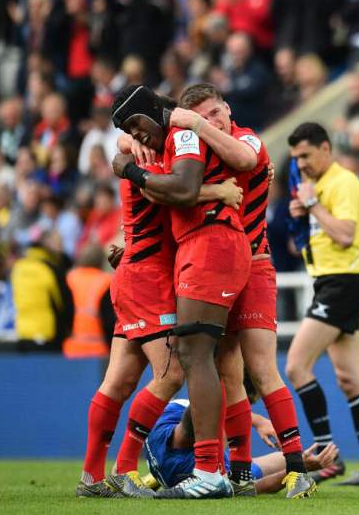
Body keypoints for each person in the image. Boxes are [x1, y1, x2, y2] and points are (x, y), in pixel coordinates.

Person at [77, 115, 243, 498]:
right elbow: (167, 191)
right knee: (169, 375)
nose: (136, 138)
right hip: (148, 279)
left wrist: (125, 150)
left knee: (118, 381)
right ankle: (123, 470)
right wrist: (218, 191)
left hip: (137, 275)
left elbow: (134, 157)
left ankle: (91, 476)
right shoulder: (153, 159)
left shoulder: (146, 151)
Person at [168, 83, 314, 498]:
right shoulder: (202, 152)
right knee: (230, 375)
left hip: (255, 265)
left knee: (263, 369)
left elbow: (246, 158)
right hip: (221, 268)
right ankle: (242, 475)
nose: (213, 121)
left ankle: (297, 468)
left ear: (227, 108)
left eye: (216, 112)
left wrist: (195, 124)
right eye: (204, 116)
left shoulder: (245, 138)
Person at [285, 122, 359, 486]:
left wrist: (312, 204)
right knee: (349, 377)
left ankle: (328, 455)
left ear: (326, 149)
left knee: (297, 366)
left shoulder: (343, 183)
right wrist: (302, 217)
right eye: (296, 157)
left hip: (342, 282)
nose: (300, 163)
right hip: (330, 281)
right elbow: (305, 245)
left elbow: (344, 235)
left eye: (306, 155)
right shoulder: (317, 186)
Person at [143, 377, 338, 496]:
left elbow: (200, 407)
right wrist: (298, 466)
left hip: (169, 456)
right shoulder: (198, 468)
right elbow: (255, 487)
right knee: (244, 477)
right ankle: (153, 476)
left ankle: (151, 476)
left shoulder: (166, 422)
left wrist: (296, 462)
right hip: (181, 469)